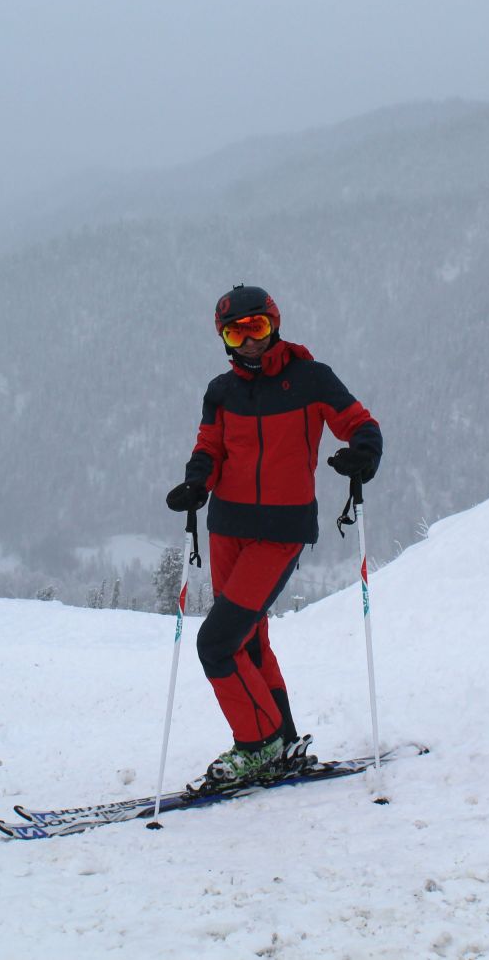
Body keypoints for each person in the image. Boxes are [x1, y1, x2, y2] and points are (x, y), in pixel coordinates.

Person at [166, 284, 382, 790]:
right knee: (249, 637)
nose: (248, 342)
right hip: (227, 528)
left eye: (256, 328)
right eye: (235, 332)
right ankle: (279, 737)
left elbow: (358, 422)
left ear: (274, 324)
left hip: (280, 530)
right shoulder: (221, 391)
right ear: (222, 338)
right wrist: (198, 481)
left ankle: (257, 744)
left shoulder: (311, 379)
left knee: (216, 644)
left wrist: (365, 452)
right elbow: (210, 448)